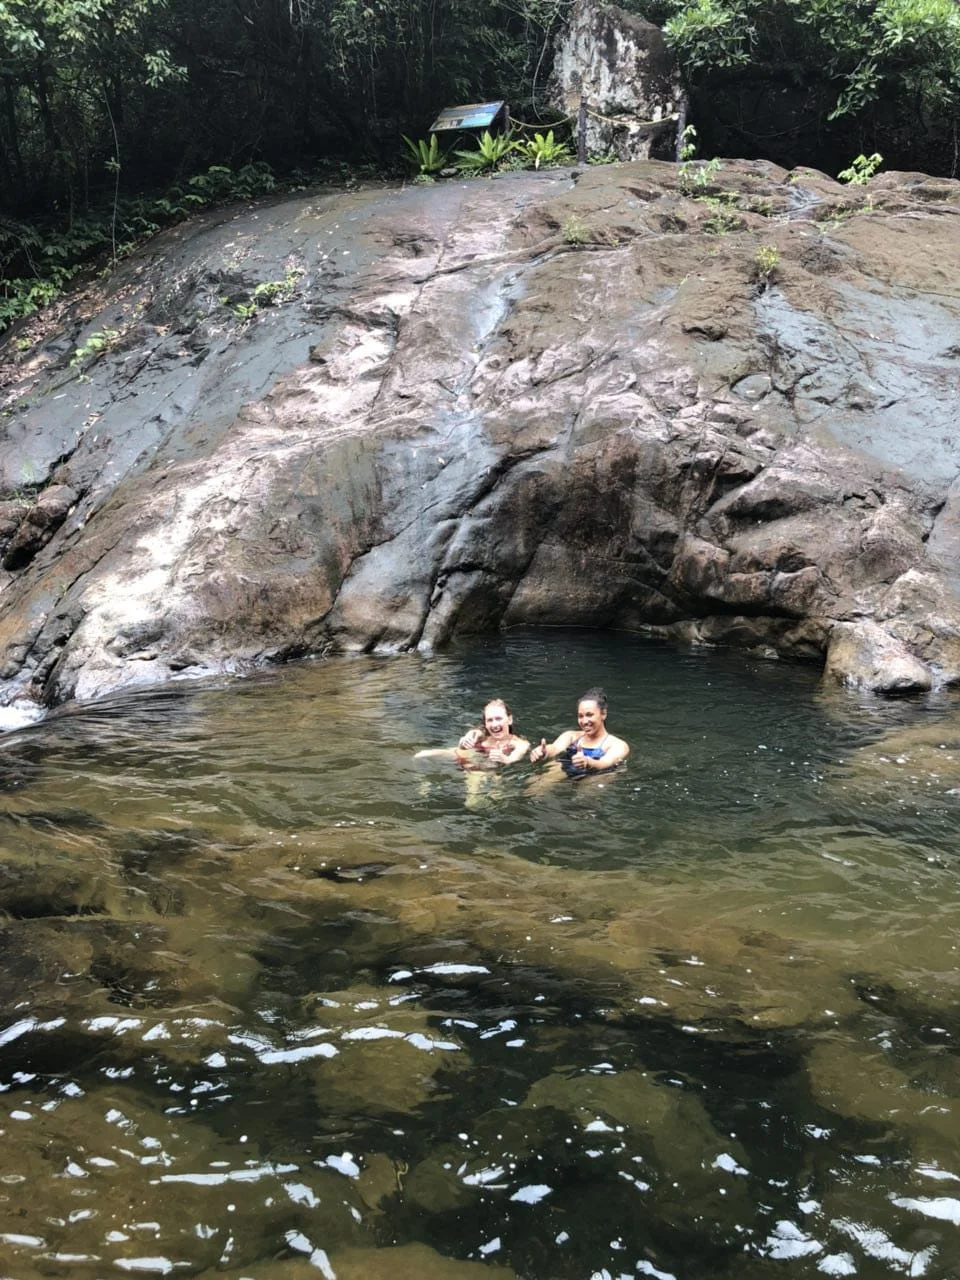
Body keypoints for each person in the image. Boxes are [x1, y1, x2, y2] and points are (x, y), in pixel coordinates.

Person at [529, 687, 629, 776]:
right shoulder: (571, 736)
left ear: (603, 714)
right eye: (580, 716)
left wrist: (588, 762)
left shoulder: (618, 745)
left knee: (598, 781)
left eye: (589, 715)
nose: (584, 721)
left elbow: (605, 763)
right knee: (536, 782)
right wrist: (544, 752)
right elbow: (555, 748)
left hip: (597, 775)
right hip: (566, 767)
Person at [416, 698, 530, 766]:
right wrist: (464, 743)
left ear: (509, 720)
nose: (494, 724)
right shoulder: (481, 736)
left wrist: (505, 759)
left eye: (498, 718)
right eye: (490, 720)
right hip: (465, 758)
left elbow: (514, 758)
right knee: (422, 755)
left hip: (482, 768)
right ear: (485, 723)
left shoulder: (520, 744)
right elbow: (473, 734)